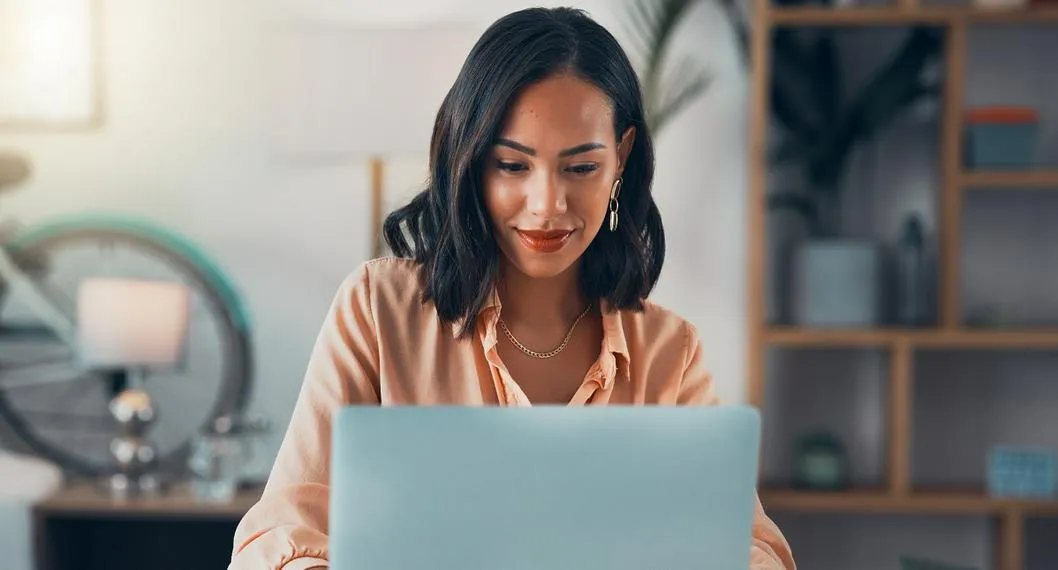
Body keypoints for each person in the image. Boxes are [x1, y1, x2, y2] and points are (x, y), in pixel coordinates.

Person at [229, 6, 795, 570]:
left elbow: (751, 546)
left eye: (580, 168)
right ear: (470, 161)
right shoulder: (377, 311)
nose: (547, 205)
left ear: (620, 157)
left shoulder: (668, 352)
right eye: (512, 165)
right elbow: (279, 534)